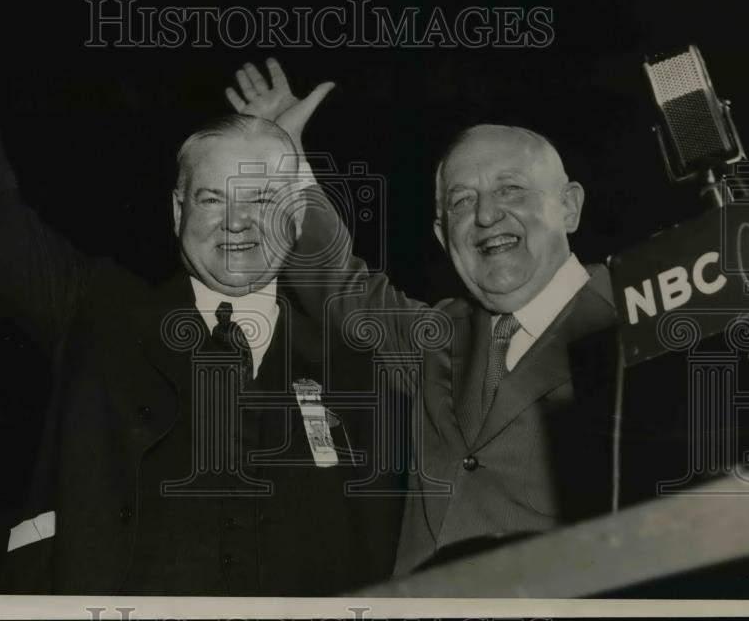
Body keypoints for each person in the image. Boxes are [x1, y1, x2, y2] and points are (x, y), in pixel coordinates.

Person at [0, 0, 407, 595]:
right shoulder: (99, 312)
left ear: (297, 213)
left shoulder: (357, 361)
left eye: (262, 200)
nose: (236, 224)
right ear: (175, 212)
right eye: (210, 200)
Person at [254, 103, 621, 576]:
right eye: (461, 201)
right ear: (443, 236)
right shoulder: (440, 336)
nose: (486, 214)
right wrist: (285, 161)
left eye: (510, 188)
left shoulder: (639, 320)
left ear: (568, 207)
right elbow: (340, 289)